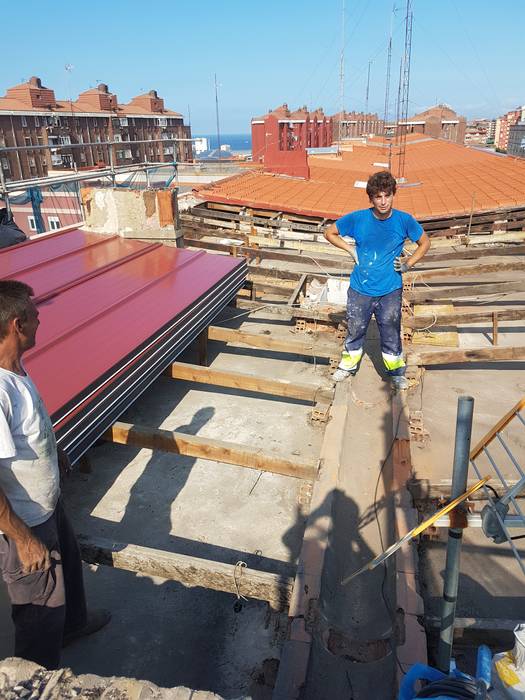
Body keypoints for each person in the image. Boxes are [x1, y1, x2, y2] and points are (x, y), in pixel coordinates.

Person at [0, 280, 110, 670]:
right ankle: (35, 677)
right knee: (39, 603)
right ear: (17, 325)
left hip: (46, 502)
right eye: (34, 312)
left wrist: (53, 445)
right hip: (24, 521)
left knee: (69, 565)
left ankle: (73, 626)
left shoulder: (15, 368)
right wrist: (23, 539)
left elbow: (28, 427)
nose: (40, 316)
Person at [324, 170, 430, 389]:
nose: (383, 201)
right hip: (360, 288)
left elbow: (425, 243)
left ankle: (396, 372)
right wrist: (350, 250)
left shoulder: (404, 220)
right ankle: (347, 366)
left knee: (391, 330)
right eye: (378, 197)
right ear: (371, 198)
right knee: (356, 329)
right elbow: (330, 232)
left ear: (393, 195)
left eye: (387, 195)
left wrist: (408, 264)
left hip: (390, 290)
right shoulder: (357, 218)